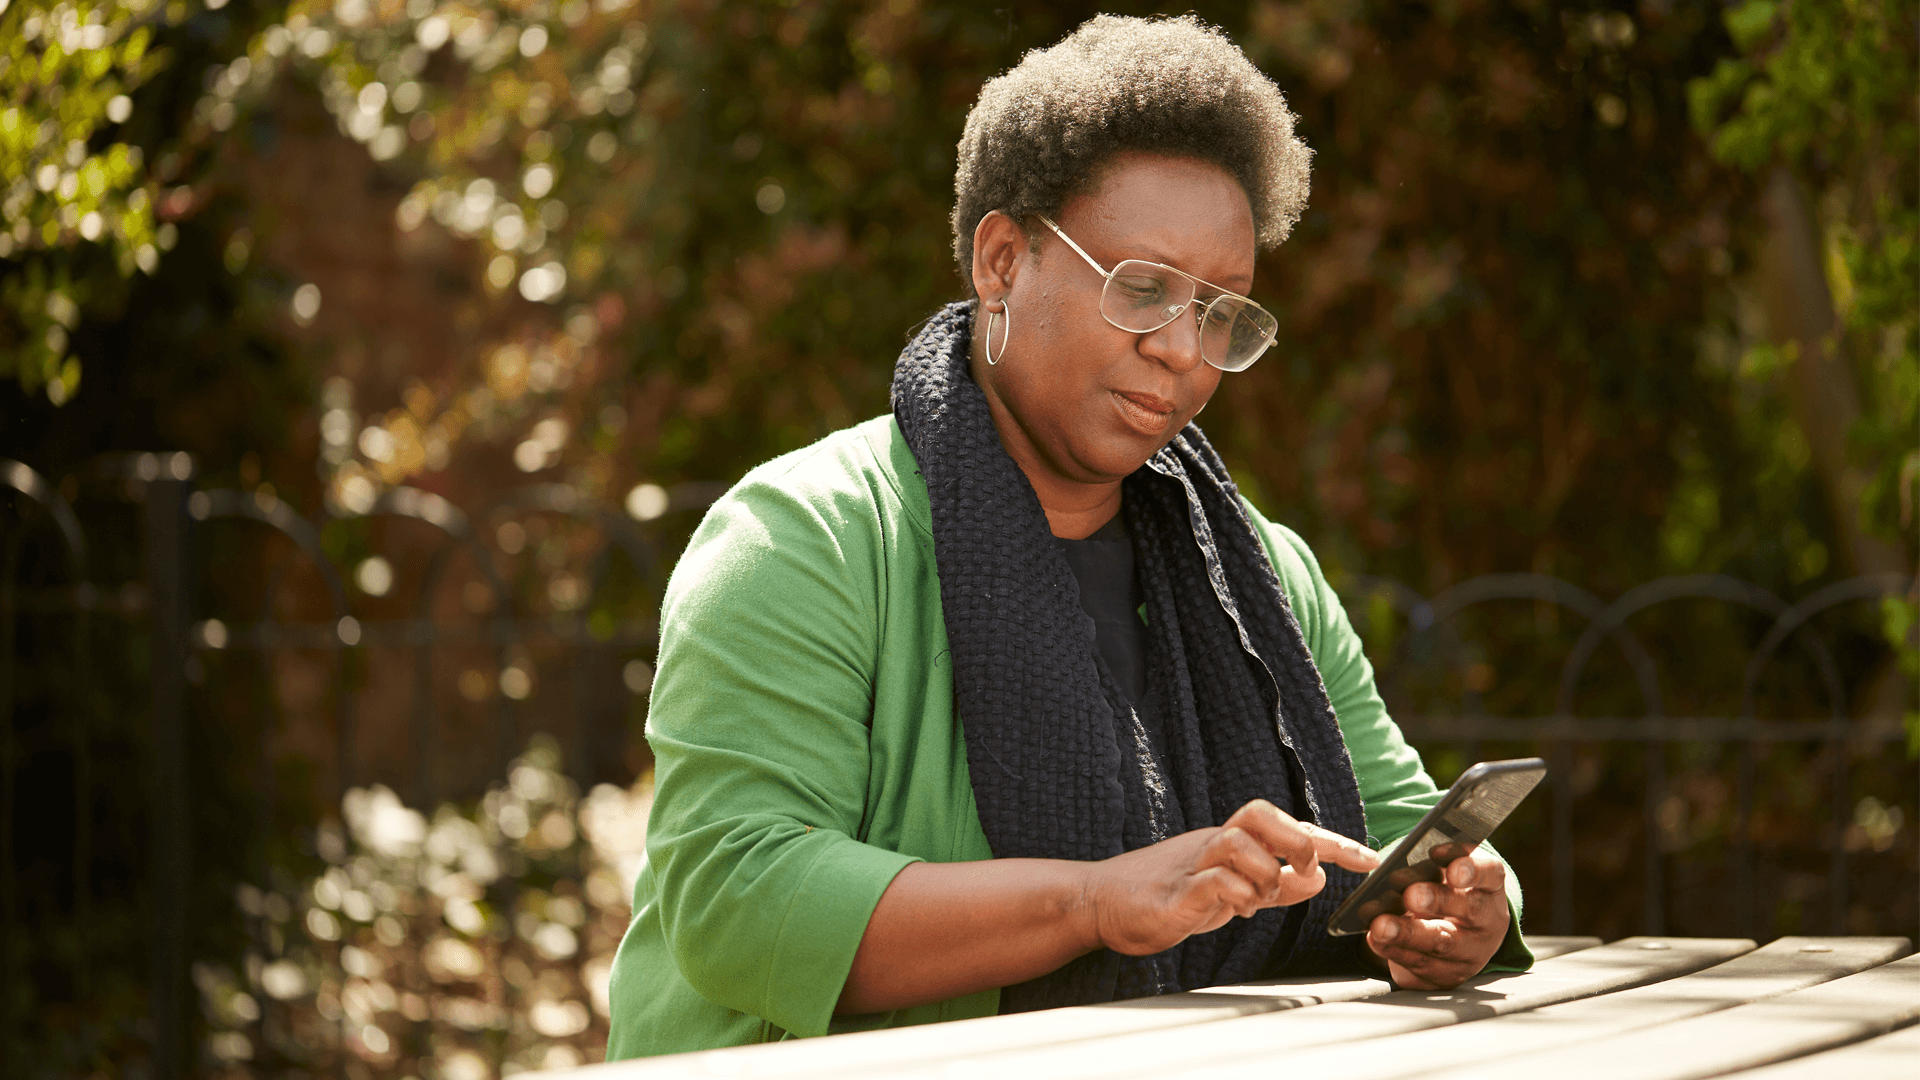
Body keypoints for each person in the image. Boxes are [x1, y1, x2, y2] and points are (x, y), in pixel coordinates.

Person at [605, 14, 1530, 1060]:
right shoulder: (802, 541)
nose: (1184, 350)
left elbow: (1394, 829)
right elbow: (740, 898)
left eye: (1221, 310)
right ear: (1002, 260)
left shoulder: (1260, 574)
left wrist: (1459, 914)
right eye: (1142, 289)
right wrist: (1094, 903)